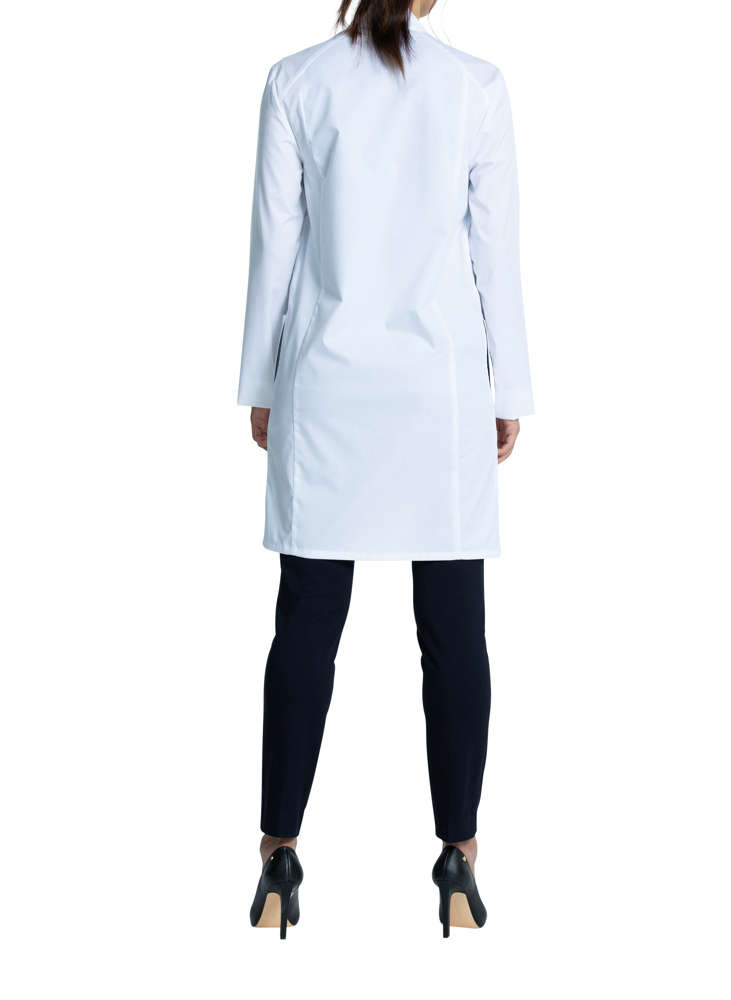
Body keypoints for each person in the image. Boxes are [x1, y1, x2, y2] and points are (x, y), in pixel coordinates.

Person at [239, 0, 534, 939]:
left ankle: (278, 858)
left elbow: (275, 249)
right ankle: (459, 860)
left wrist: (261, 383)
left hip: (326, 385)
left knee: (305, 628)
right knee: (454, 634)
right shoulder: (476, 87)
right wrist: (509, 389)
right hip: (438, 393)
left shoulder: (296, 82)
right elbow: (495, 254)